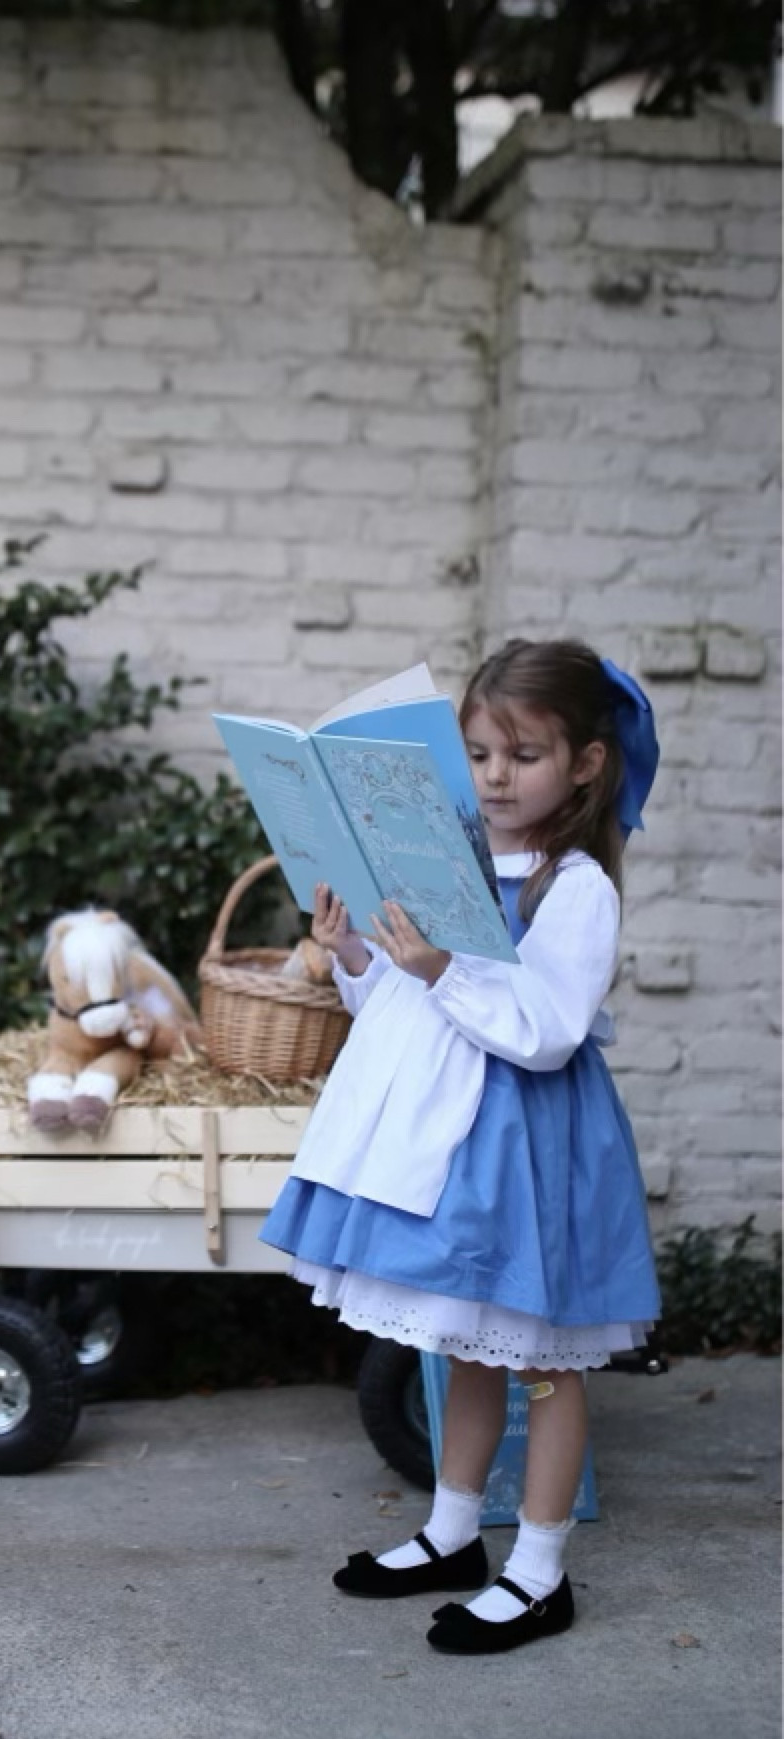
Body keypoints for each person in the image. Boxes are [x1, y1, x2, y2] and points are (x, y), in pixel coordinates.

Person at [261, 640, 660, 1654]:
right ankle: (451, 1532)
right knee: (460, 1342)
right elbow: (398, 1001)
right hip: (443, 1140)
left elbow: (546, 1026)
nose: (492, 774)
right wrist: (356, 947)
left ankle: (535, 1567)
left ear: (583, 763)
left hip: (523, 1150)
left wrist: (439, 966)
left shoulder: (573, 887)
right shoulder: (450, 857)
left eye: (521, 754)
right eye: (478, 751)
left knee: (538, 1360)